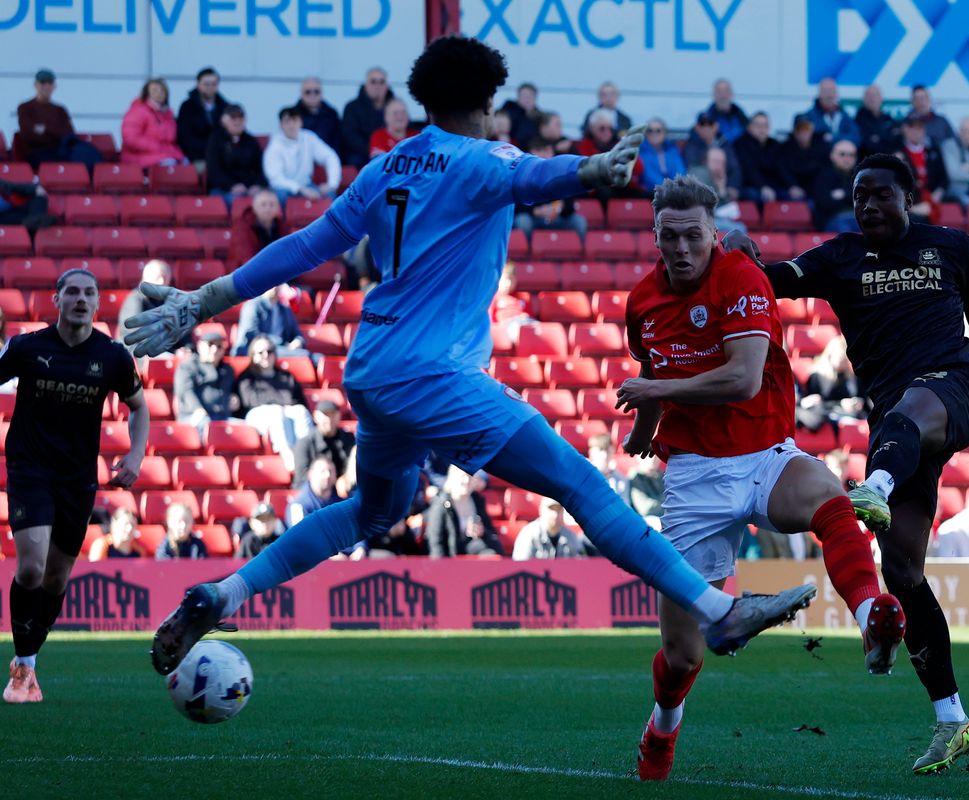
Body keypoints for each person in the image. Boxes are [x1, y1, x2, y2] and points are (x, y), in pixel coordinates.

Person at [128, 37, 815, 682]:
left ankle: (224, 590)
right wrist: (593, 171)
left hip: (371, 370)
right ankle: (720, 612)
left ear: (426, 100)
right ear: (486, 103)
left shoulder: (384, 168)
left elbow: (303, 247)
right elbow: (541, 177)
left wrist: (201, 301)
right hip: (433, 375)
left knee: (373, 509)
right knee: (579, 481)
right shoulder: (482, 160)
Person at [725, 152, 969, 774]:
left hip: (952, 392)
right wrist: (739, 257)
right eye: (859, 196)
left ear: (908, 198)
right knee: (904, 573)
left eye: (881, 195)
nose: (868, 205)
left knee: (911, 411)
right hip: (896, 425)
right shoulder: (840, 257)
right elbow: (771, 280)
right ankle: (953, 720)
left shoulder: (953, 248)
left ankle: (874, 486)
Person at [619, 175, 903, 782]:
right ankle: (661, 732)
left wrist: (656, 392)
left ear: (712, 234)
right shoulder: (642, 301)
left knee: (830, 496)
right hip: (693, 478)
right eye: (670, 236)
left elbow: (743, 380)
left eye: (693, 235)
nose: (682, 248)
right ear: (656, 238)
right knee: (682, 653)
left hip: (762, 453)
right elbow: (650, 367)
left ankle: (871, 612)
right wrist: (645, 428)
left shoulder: (742, 277)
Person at [0, 268, 147, 704]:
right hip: (29, 468)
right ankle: (22, 662)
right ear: (57, 299)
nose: (81, 299)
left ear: (98, 303)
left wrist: (136, 455)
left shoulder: (114, 357)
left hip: (77, 477)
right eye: (73, 291)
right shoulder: (27, 348)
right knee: (30, 566)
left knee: (57, 576)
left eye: (89, 292)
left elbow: (138, 408)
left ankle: (29, 663)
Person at [235, 335, 312, 471]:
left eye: (269, 351)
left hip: (285, 412)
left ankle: (307, 453)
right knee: (276, 411)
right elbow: (250, 401)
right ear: (253, 355)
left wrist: (284, 405)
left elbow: (298, 400)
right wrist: (280, 404)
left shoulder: (285, 376)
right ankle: (288, 457)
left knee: (301, 411)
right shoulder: (246, 377)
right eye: (260, 352)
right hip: (257, 416)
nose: (266, 355)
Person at [16, 69, 101, 169]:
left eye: (50, 83)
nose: (46, 86)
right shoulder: (25, 108)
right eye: (43, 82)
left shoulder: (60, 110)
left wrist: (44, 129)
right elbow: (28, 135)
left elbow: (68, 133)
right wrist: (55, 132)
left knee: (84, 155)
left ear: (54, 86)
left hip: (61, 150)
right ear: (36, 85)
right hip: (38, 153)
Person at [512, 139, 588, 242]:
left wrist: (559, 208)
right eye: (540, 150)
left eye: (548, 151)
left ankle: (580, 254)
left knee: (578, 221)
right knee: (523, 221)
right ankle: (527, 253)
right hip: (534, 217)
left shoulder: (559, 172)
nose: (544, 155)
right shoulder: (524, 173)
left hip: (557, 217)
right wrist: (536, 211)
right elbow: (516, 205)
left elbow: (570, 203)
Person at [264, 106, 341, 201]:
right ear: (281, 125)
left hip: (307, 185)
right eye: (287, 121)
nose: (291, 125)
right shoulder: (274, 145)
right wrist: (300, 189)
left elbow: (330, 157)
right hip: (285, 188)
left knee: (329, 194)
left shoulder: (309, 138)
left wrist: (332, 184)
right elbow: (276, 179)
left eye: (295, 120)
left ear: (301, 122)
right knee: (281, 195)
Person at [424, 465, 501, 557]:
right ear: (452, 479)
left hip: (473, 551)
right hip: (451, 556)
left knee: (491, 553)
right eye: (462, 477)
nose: (466, 481)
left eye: (469, 477)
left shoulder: (478, 501)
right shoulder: (441, 503)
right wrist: (439, 567)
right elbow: (435, 539)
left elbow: (491, 533)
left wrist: (482, 531)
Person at [795, 335, 865, 433]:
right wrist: (841, 404)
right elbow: (816, 403)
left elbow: (862, 397)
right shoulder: (817, 376)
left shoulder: (851, 376)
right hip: (829, 416)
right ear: (831, 355)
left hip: (850, 415)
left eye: (846, 360)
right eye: (842, 359)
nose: (845, 363)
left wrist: (857, 403)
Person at [174, 330, 237, 433]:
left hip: (222, 417)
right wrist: (197, 408)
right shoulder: (188, 366)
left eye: (219, 346)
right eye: (210, 344)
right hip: (193, 416)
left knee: (245, 428)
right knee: (205, 426)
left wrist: (235, 399)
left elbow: (232, 391)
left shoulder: (227, 369)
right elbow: (185, 391)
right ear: (200, 346)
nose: (214, 349)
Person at [205, 104, 266, 208]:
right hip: (223, 189)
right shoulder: (215, 140)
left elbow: (260, 167)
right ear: (224, 120)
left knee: (266, 200)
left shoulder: (250, 141)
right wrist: (231, 186)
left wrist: (256, 185)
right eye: (233, 118)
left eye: (241, 117)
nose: (237, 121)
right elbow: (214, 170)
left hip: (249, 188)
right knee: (236, 202)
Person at [120, 78, 186, 167]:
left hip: (162, 155)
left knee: (186, 164)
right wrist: (158, 148)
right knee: (170, 165)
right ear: (146, 94)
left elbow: (170, 141)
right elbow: (131, 139)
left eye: (162, 90)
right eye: (154, 90)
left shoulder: (167, 114)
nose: (159, 93)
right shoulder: (138, 111)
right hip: (138, 157)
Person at [293, 400, 356, 489]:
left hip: (345, 490)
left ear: (339, 416)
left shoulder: (348, 438)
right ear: (316, 416)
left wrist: (345, 479)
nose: (329, 419)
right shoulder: (305, 443)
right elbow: (302, 478)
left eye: (333, 414)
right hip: (314, 492)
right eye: (325, 415)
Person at [898, 115, 949, 223]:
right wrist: (913, 207)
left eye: (920, 128)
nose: (916, 132)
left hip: (932, 200)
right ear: (905, 129)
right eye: (912, 127)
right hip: (911, 203)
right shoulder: (899, 154)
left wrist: (933, 199)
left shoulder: (933, 152)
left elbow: (944, 179)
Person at [229, 189, 295, 270]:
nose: (268, 209)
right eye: (263, 205)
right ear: (254, 207)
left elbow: (288, 254)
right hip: (246, 275)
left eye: (272, 205)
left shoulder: (282, 225)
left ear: (278, 207)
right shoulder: (241, 225)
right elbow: (245, 258)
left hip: (276, 273)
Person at [342, 67, 395, 168]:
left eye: (381, 82)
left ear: (387, 86)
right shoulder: (352, 107)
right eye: (373, 81)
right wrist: (374, 149)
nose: (377, 86)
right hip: (362, 156)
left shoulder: (396, 107)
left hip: (391, 154)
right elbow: (350, 136)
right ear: (366, 85)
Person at [118, 260, 173, 357]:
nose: (161, 281)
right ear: (145, 278)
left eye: (164, 277)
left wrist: (187, 348)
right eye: (158, 277)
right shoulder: (135, 300)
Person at [176, 67, 229, 166]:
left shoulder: (225, 107)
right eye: (206, 84)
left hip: (222, 156)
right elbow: (184, 137)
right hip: (196, 157)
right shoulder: (187, 107)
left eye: (213, 84)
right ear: (198, 84)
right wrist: (209, 149)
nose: (210, 87)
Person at [233, 284, 305, 357]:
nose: (274, 287)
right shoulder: (253, 305)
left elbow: (297, 333)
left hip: (280, 349)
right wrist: (279, 342)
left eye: (277, 283)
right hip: (257, 351)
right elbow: (251, 335)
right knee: (303, 355)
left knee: (312, 357)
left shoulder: (285, 309)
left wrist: (298, 341)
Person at [732, 112, 787, 203]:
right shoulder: (740, 144)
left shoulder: (774, 145)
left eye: (765, 125)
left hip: (772, 187)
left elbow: (782, 168)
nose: (762, 129)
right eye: (758, 125)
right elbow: (749, 170)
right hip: (749, 186)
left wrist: (792, 186)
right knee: (755, 196)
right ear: (749, 127)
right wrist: (763, 187)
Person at [687, 147, 744, 233]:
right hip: (696, 220)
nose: (719, 165)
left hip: (711, 219)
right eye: (715, 161)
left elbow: (723, 207)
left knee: (740, 227)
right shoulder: (699, 173)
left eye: (722, 162)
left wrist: (721, 188)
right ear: (705, 161)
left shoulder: (717, 177)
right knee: (740, 229)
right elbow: (703, 205)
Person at [511, 497, 586, 560]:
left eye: (558, 509)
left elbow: (581, 566)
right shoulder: (528, 534)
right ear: (541, 510)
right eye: (551, 509)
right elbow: (520, 566)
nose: (555, 514)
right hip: (536, 577)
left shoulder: (570, 536)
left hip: (564, 577)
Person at [810, 139, 859, 232]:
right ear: (832, 155)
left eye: (851, 155)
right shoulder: (822, 176)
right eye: (842, 154)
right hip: (833, 220)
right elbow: (825, 204)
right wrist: (851, 195)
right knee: (846, 232)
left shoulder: (861, 176)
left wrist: (842, 194)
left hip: (857, 219)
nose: (847, 158)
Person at [805, 78, 860, 155]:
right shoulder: (809, 117)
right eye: (826, 91)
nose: (829, 95)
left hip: (844, 161)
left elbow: (856, 138)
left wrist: (833, 138)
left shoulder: (845, 116)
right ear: (819, 94)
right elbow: (814, 141)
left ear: (837, 94)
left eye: (832, 91)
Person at [287, 457, 339, 527]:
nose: (327, 475)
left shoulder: (340, 503)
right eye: (323, 471)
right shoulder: (298, 506)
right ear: (310, 474)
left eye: (330, 471)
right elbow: (301, 535)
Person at [778, 116, 822, 200]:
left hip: (815, 189)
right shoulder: (784, 148)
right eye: (800, 129)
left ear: (812, 130)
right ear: (794, 131)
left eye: (807, 128)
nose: (804, 132)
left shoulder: (820, 147)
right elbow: (783, 171)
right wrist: (792, 185)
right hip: (792, 189)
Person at [293, 77, 341, 153]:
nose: (312, 95)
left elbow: (338, 141)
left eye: (316, 92)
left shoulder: (331, 114)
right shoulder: (293, 115)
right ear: (301, 94)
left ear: (322, 93)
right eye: (308, 92)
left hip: (327, 158)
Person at [639, 118, 687, 192]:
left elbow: (680, 171)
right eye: (650, 131)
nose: (654, 134)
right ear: (646, 134)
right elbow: (648, 176)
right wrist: (668, 188)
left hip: (674, 191)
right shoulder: (641, 152)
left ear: (664, 133)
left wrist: (677, 186)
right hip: (651, 193)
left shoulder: (672, 150)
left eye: (658, 131)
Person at [855, 84, 899, 159]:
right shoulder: (858, 121)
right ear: (864, 99)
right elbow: (868, 146)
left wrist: (878, 139)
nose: (872, 99)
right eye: (869, 96)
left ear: (881, 98)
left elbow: (898, 140)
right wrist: (886, 139)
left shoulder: (889, 119)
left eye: (875, 95)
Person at [907, 85, 956, 150]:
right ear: (912, 102)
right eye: (917, 99)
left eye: (923, 98)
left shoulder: (942, 122)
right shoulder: (906, 124)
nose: (921, 102)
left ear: (929, 99)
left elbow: (953, 144)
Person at [703, 78, 749, 144]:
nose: (723, 95)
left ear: (732, 94)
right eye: (719, 91)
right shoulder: (704, 121)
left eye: (726, 91)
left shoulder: (743, 120)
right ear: (713, 95)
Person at [498, 81, 540, 149]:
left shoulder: (539, 117)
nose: (527, 99)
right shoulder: (508, 112)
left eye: (530, 96)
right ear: (518, 97)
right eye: (524, 96)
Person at [587, 432, 628, 500]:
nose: (604, 455)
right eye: (600, 450)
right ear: (591, 452)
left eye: (607, 450)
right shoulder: (583, 476)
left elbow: (625, 506)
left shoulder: (621, 480)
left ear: (613, 451)